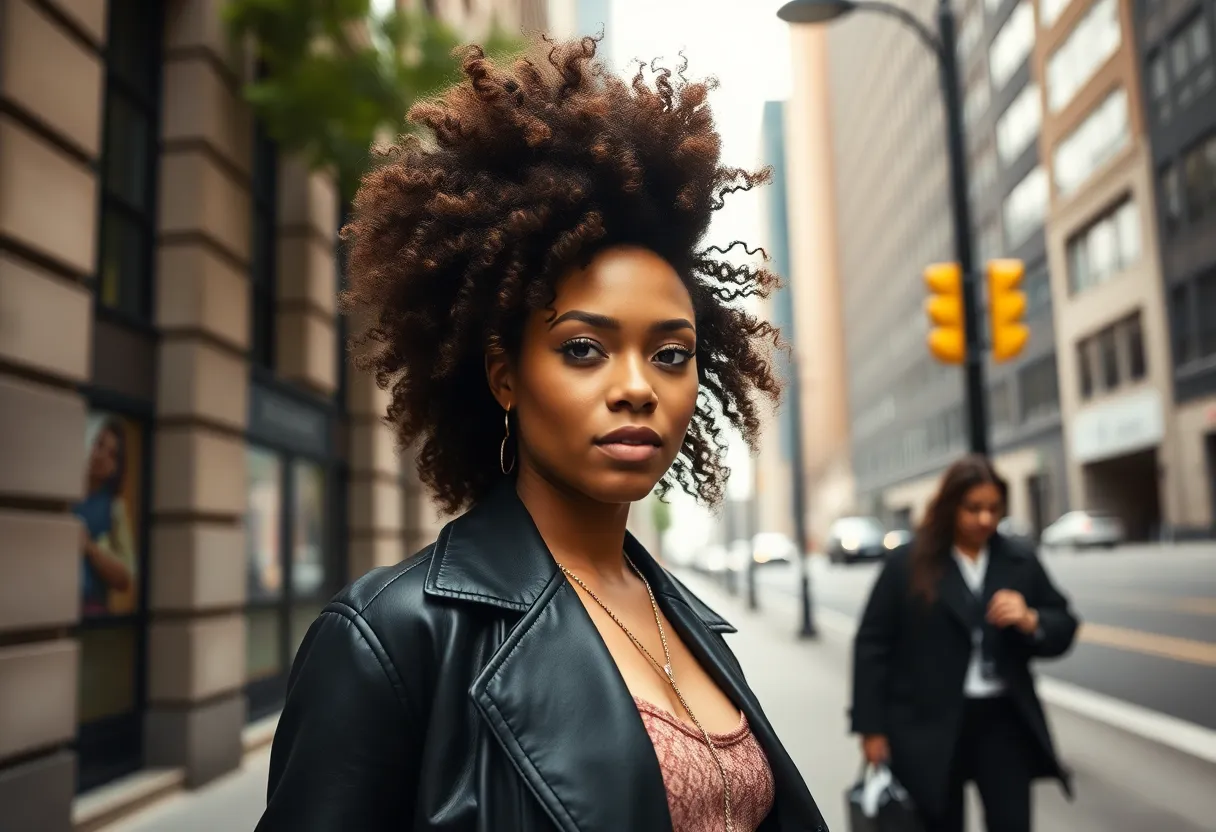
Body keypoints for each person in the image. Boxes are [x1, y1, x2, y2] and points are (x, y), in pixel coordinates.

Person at [256, 36, 827, 832]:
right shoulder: (393, 638)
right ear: (505, 377)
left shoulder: (691, 621)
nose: (636, 388)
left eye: (671, 354)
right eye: (584, 349)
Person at [850, 455, 1079, 832]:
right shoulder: (909, 563)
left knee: (1012, 822)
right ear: (951, 506)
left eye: (994, 509)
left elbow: (1065, 624)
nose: (985, 519)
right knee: (939, 823)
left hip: (1003, 721)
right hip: (927, 725)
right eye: (973, 508)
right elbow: (872, 645)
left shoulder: (1018, 559)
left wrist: (1030, 618)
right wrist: (871, 730)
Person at [74, 418, 136, 616]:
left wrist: (90, 548)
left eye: (111, 454)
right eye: (99, 444)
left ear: (116, 466)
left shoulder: (114, 508)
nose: (101, 456)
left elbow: (125, 578)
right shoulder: (67, 494)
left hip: (91, 612)